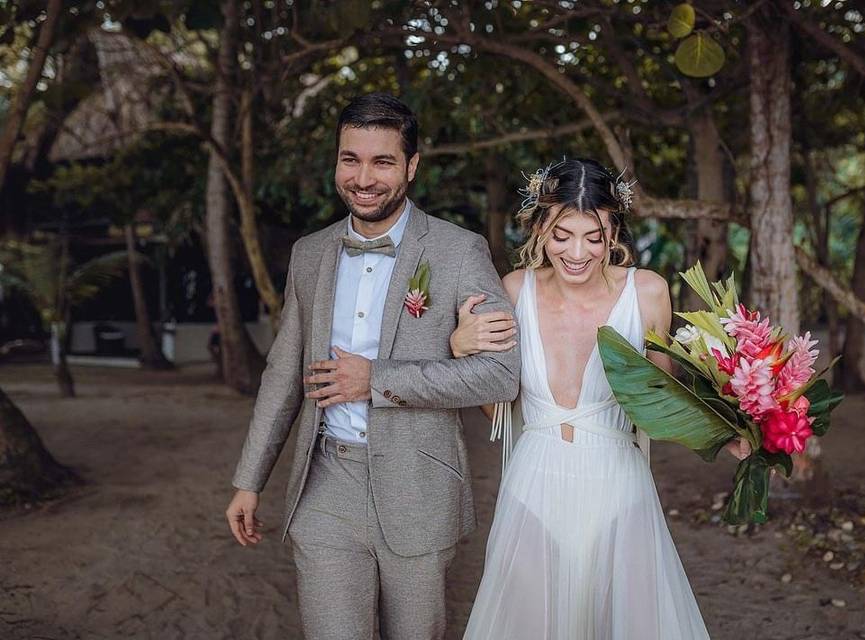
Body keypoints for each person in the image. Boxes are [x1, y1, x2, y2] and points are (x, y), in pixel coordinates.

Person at [224, 93, 520, 640]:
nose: (363, 177)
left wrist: (377, 379)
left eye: (382, 161)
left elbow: (501, 375)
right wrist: (249, 480)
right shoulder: (309, 254)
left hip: (419, 486)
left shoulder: (459, 251)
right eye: (350, 159)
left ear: (411, 167)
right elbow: (283, 373)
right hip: (324, 484)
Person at [453, 158, 743, 639]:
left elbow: (663, 397)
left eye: (595, 235)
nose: (577, 252)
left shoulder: (647, 292)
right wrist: (462, 348)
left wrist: (727, 427)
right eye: (562, 234)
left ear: (614, 234)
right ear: (541, 226)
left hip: (618, 484)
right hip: (533, 483)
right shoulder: (514, 289)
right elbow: (498, 407)